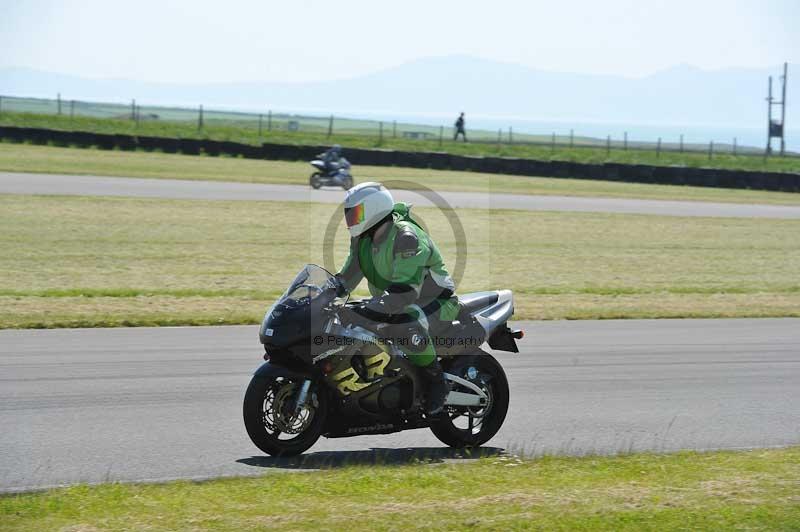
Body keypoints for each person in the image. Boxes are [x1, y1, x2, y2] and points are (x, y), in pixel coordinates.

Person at [335, 182, 459, 415]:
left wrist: (373, 307)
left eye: (356, 214)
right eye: (348, 215)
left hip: (434, 303)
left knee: (407, 323)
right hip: (396, 300)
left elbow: (405, 291)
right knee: (349, 320)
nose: (350, 220)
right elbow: (348, 276)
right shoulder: (362, 240)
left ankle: (436, 382)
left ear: (375, 210)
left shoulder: (406, 237)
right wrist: (322, 296)